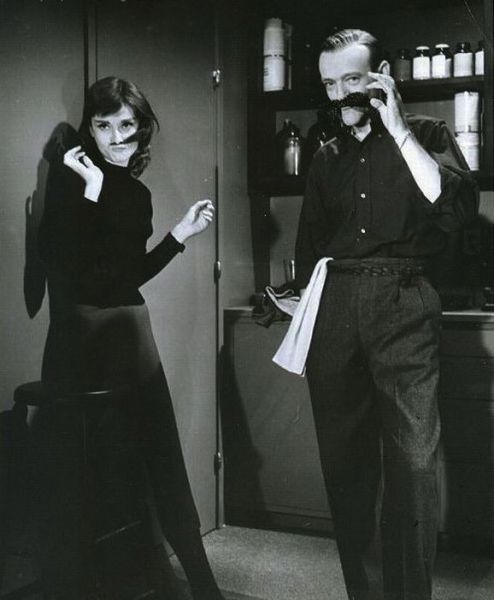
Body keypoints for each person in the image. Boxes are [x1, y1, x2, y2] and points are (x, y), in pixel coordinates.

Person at [292, 30, 478, 600]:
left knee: (413, 466)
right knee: (347, 469)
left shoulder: (426, 134)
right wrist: (299, 303)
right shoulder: (325, 157)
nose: (341, 94)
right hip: (336, 307)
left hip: (405, 301)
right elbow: (311, 246)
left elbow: (455, 209)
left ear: (383, 76)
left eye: (353, 79)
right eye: (330, 83)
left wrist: (396, 130)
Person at [34, 76, 223, 600]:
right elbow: (73, 278)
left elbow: (125, 277)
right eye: (103, 124)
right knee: (101, 474)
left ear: (141, 130)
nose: (117, 137)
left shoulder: (137, 193)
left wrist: (178, 238)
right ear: (88, 128)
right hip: (83, 340)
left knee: (164, 459)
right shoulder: (71, 182)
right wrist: (91, 195)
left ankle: (203, 587)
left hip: (129, 332)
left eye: (127, 125)